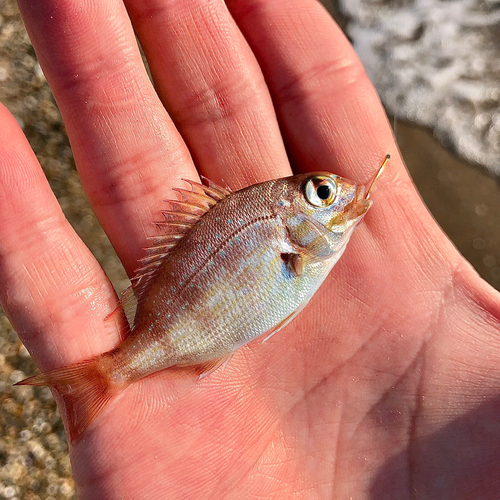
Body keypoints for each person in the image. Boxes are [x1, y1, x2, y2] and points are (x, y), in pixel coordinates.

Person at [1, 0, 499, 498]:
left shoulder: (302, 246)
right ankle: (102, 379)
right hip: (183, 327)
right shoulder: (291, 244)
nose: (336, 197)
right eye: (321, 194)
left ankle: (103, 378)